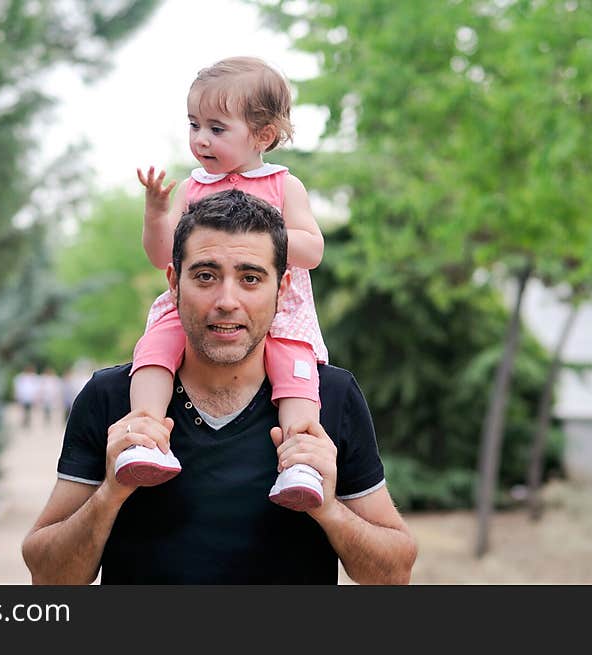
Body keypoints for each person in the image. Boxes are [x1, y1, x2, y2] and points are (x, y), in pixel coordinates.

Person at [22, 189, 417, 584]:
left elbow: (395, 574)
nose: (227, 300)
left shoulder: (329, 397)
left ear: (282, 290)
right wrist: (111, 493)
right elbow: (47, 575)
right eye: (206, 276)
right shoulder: (111, 397)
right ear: (174, 282)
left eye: (250, 278)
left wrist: (328, 508)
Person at [121, 56, 328, 511]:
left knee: (296, 374)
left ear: (263, 136)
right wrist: (157, 213)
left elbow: (312, 249)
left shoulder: (281, 186)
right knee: (155, 346)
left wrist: (256, 238)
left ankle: (299, 459)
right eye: (194, 125)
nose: (200, 139)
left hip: (278, 312)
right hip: (200, 311)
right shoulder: (192, 189)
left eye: (216, 128)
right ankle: (147, 433)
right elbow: (162, 256)